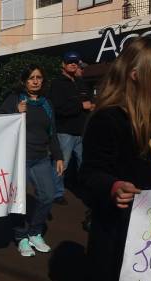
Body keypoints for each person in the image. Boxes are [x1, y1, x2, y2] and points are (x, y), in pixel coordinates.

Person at [79, 37, 151, 281]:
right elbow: (90, 174)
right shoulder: (109, 120)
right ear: (137, 74)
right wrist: (113, 186)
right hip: (120, 242)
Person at [0, 64, 64, 257]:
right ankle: (21, 237)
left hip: (41, 158)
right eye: (31, 78)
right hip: (19, 159)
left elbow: (52, 133)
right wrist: (15, 113)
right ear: (24, 81)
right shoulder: (14, 100)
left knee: (48, 195)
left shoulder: (46, 104)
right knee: (20, 200)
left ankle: (35, 232)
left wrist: (58, 156)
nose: (35, 81)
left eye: (39, 77)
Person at [48, 51, 93, 206]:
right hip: (65, 132)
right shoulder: (57, 83)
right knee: (62, 164)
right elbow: (58, 108)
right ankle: (57, 193)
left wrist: (91, 105)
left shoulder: (80, 82)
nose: (73, 64)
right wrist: (81, 105)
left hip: (82, 131)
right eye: (70, 62)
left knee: (84, 163)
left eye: (75, 62)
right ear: (63, 64)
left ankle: (85, 191)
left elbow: (90, 100)